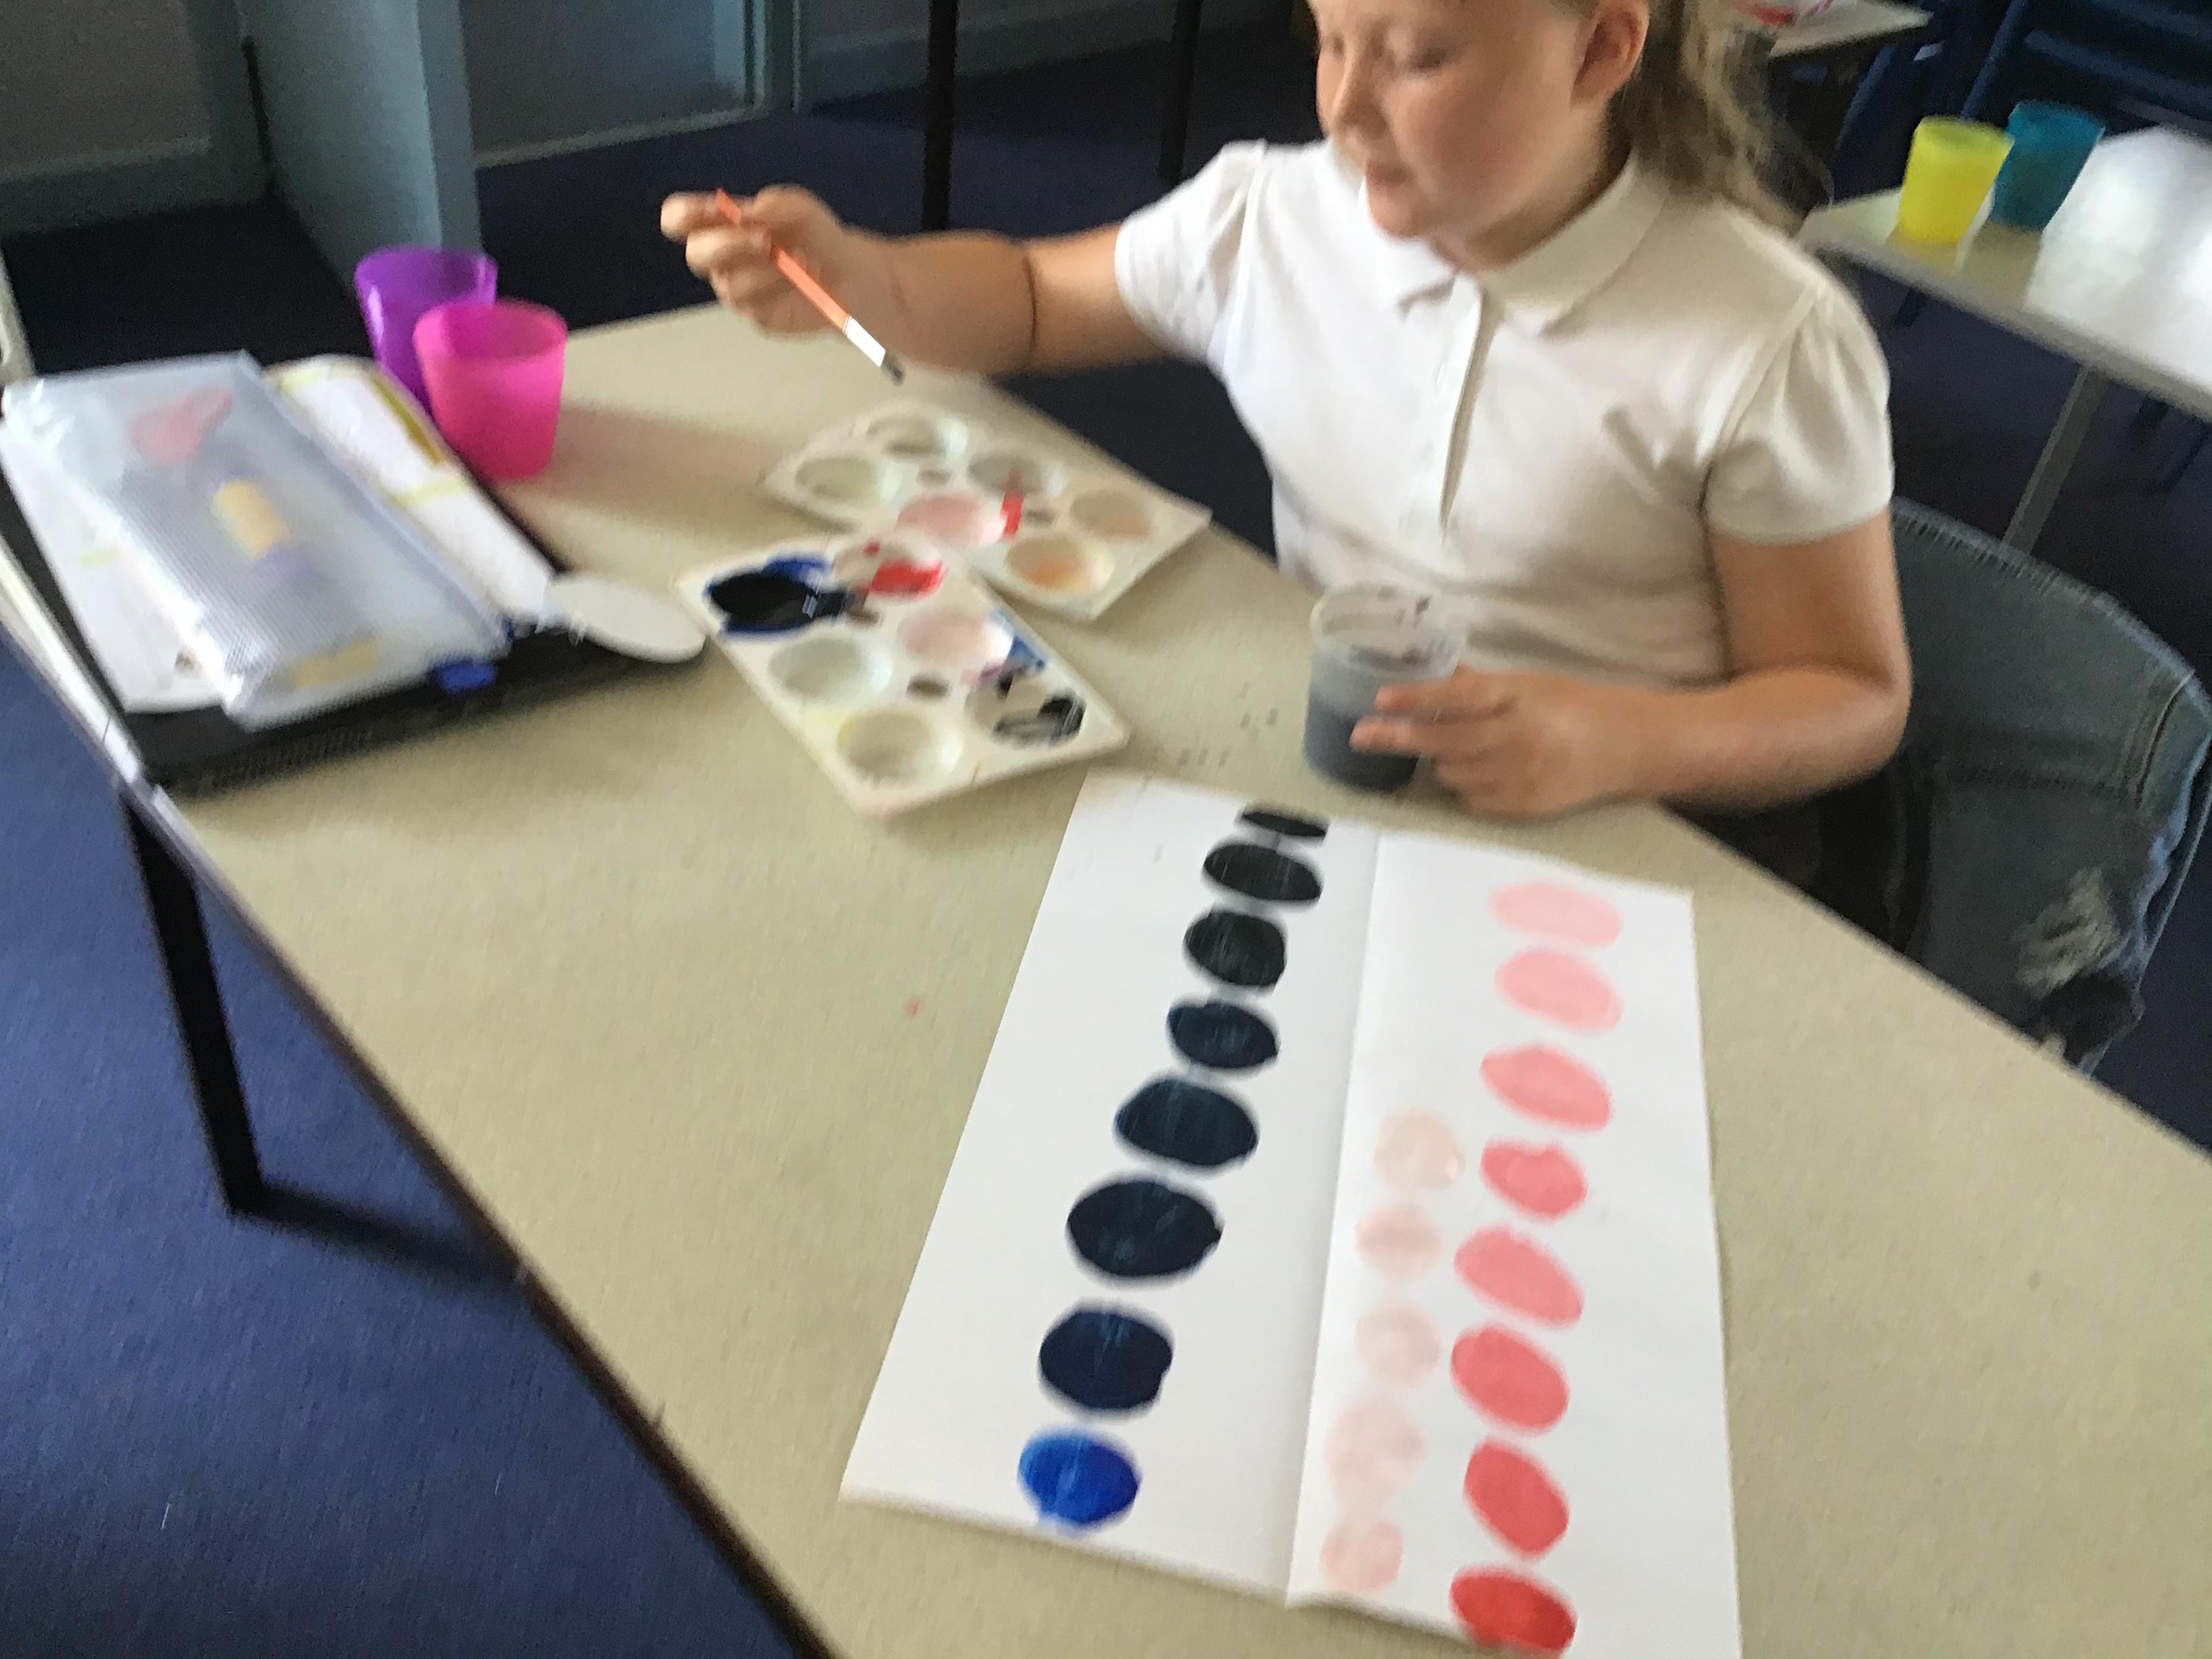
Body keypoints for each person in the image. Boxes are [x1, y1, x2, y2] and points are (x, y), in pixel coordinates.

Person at [660, 0, 1908, 836]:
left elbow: (1850, 693)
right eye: (1329, 40)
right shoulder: (1269, 219)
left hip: (1631, 830)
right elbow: (1032, 301)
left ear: (1599, 53)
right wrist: (861, 278)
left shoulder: (1764, 339)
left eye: (1416, 58)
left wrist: (1622, 741)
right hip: (1346, 774)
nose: (1346, 111)